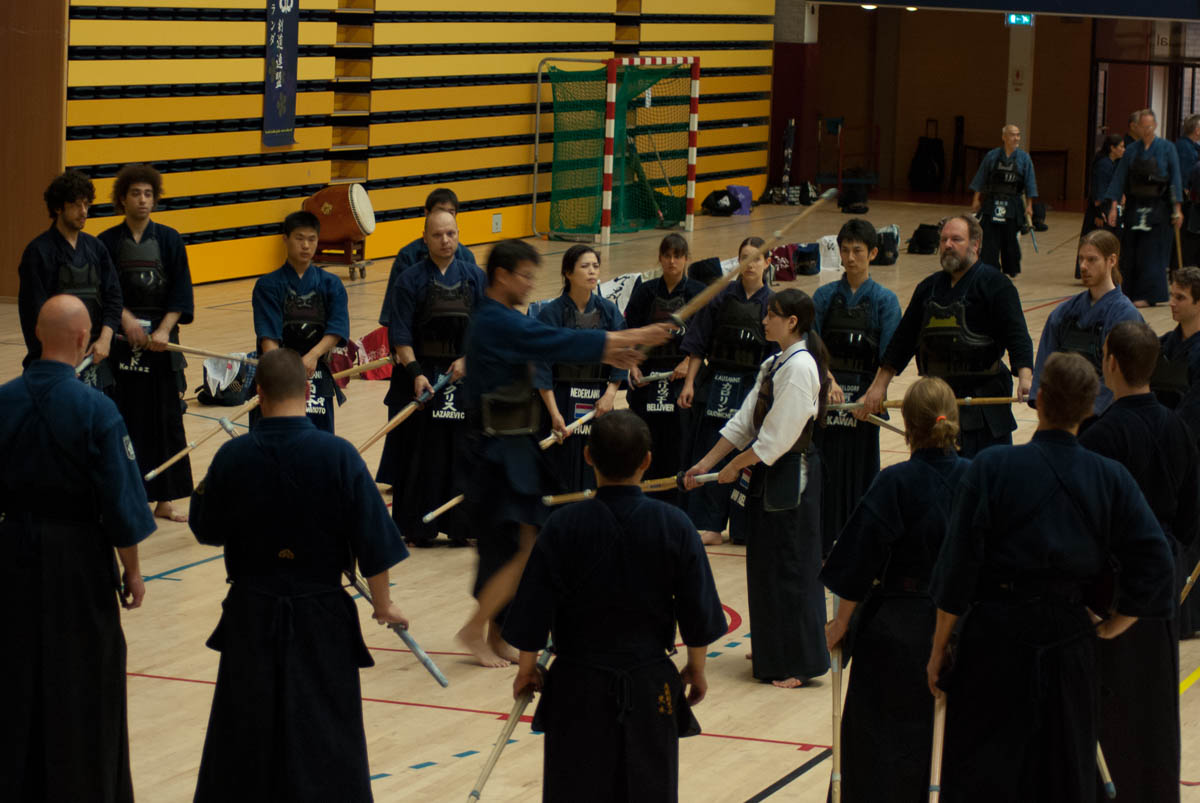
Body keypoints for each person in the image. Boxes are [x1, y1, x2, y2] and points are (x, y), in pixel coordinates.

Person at [926, 352, 1175, 803]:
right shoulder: (1109, 477)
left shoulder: (991, 467)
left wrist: (939, 649)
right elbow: (1157, 563)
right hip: (1070, 640)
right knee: (1065, 773)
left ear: (1038, 401)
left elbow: (957, 567)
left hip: (993, 640)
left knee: (984, 771)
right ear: (1089, 409)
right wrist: (1112, 625)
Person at [188, 348, 410, 802]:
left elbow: (206, 530)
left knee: (245, 732)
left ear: (257, 393)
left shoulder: (233, 456)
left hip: (251, 611)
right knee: (326, 729)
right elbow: (373, 539)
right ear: (308, 392)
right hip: (321, 612)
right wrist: (384, 604)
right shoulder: (339, 455)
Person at [457, 239, 670, 667]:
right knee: (520, 546)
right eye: (524, 275)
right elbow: (550, 339)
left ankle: (497, 632)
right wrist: (628, 338)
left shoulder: (504, 318)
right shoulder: (495, 320)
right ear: (502, 276)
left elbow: (546, 345)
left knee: (518, 542)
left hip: (514, 443)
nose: (530, 284)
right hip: (497, 448)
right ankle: (473, 629)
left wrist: (618, 347)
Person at [503, 410, 727, 803]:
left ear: (587, 456)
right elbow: (698, 610)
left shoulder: (562, 526)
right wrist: (696, 667)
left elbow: (533, 608)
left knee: (575, 790)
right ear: (647, 461)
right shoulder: (675, 525)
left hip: (576, 688)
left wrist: (526, 669)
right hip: (650, 685)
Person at [0, 294, 154, 802]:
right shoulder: (96, 409)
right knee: (85, 681)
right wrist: (132, 571)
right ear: (84, 339)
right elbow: (122, 506)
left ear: (38, 336)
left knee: (16, 677)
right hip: (80, 562)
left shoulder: (4, 401)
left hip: (13, 554)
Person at [821, 377, 969, 802]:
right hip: (961, 628)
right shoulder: (978, 479)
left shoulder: (894, 482)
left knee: (880, 748)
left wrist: (842, 622)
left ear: (908, 426)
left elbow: (856, 560)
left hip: (899, 632)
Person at [1077, 321, 1198, 803]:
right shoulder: (1178, 430)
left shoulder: (1100, 438)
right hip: (1162, 582)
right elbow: (1191, 519)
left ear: (1110, 364)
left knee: (1111, 706)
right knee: (1155, 704)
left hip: (1112, 590)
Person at [684, 288, 830, 688]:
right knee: (765, 562)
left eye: (772, 315)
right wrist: (705, 464)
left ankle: (800, 662)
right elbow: (743, 423)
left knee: (792, 564)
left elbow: (775, 439)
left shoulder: (802, 368)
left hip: (791, 475)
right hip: (768, 473)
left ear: (792, 322)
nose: (764, 321)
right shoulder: (773, 364)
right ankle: (772, 644)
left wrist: (733, 468)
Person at [858, 215, 1034, 457]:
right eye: (944, 240)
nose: (948, 245)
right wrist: (878, 387)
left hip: (983, 402)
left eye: (956, 239)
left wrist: (1025, 377)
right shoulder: (927, 288)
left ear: (975, 244)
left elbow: (1017, 336)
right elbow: (902, 342)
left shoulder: (996, 285)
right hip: (937, 399)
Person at [377, 208, 485, 545]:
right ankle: (417, 528)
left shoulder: (474, 277)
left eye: (451, 233)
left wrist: (469, 359)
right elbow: (401, 337)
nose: (445, 240)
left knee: (462, 452)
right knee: (422, 453)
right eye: (438, 235)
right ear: (425, 238)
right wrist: (415, 374)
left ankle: (462, 527)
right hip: (424, 380)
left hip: (463, 379)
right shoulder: (409, 280)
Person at [98, 163, 195, 523]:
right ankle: (126, 493)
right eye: (136, 193)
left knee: (165, 418)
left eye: (149, 194)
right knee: (124, 418)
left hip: (160, 342)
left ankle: (165, 499)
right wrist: (123, 320)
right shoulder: (105, 243)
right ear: (122, 199)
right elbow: (104, 291)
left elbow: (181, 293)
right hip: (121, 341)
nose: (143, 200)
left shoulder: (169, 239)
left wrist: (164, 330)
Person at [812, 219, 901, 555]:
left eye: (858, 251)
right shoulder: (823, 296)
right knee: (826, 471)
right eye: (845, 250)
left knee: (861, 473)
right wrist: (829, 381)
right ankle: (821, 546)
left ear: (873, 253)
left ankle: (859, 547)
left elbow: (891, 354)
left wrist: (874, 393)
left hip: (866, 398)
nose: (850, 258)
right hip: (829, 397)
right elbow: (812, 345)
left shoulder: (885, 301)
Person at [678, 237, 774, 545]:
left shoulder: (773, 305)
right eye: (744, 257)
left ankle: (744, 527)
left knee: (744, 457)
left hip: (752, 387)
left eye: (756, 258)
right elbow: (697, 344)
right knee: (710, 449)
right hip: (715, 382)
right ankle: (709, 525)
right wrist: (690, 382)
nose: (750, 264)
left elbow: (778, 356)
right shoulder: (719, 299)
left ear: (767, 262)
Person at [18, 169, 123, 393]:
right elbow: (33, 316)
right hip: (56, 364)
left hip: (95, 357)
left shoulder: (96, 248)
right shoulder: (38, 252)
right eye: (76, 205)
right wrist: (57, 360)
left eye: (87, 204)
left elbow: (113, 297)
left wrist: (105, 339)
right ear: (58, 208)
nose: (83, 211)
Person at [534, 245, 627, 493]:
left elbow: (622, 353)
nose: (592, 272)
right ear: (568, 272)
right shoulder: (551, 314)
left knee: (596, 464)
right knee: (560, 470)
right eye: (584, 266)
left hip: (598, 400)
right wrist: (554, 413)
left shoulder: (609, 311)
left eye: (595, 266)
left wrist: (610, 394)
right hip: (562, 400)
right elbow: (541, 366)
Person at [624, 233, 706, 507]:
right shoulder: (645, 292)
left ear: (686, 259)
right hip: (648, 381)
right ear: (660, 258)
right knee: (646, 443)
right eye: (667, 255)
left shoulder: (697, 292)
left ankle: (678, 506)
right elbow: (630, 333)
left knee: (678, 444)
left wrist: (687, 362)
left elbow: (705, 336)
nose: (672, 261)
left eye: (678, 256)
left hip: (680, 381)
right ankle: (641, 500)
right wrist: (633, 364)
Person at [251, 210, 349, 432]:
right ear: (285, 240)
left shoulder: (331, 284)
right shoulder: (268, 285)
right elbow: (269, 338)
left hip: (315, 372)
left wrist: (313, 357)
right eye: (299, 238)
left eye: (311, 239)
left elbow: (337, 327)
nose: (306, 245)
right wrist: (282, 371)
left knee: (319, 440)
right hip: (278, 373)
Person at [1028, 229, 1142, 417]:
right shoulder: (1064, 312)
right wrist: (1043, 400)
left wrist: (1087, 412)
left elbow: (1119, 375)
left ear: (1111, 260)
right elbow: (1045, 362)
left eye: (1091, 259)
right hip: (1062, 413)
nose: (1083, 266)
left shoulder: (1125, 314)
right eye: (1081, 259)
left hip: (1103, 415)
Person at [1104, 109, 1184, 307]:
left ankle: (1150, 295)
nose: (1147, 130)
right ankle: (1129, 291)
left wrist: (1177, 208)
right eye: (1143, 127)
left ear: (1155, 126)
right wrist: (1113, 207)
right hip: (1134, 206)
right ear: (1136, 128)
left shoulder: (1167, 148)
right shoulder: (1131, 151)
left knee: (1153, 252)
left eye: (1150, 126)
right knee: (1131, 250)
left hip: (1159, 207)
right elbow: (1119, 179)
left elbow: (1175, 179)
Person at [378, 187, 477, 327]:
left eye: (451, 212)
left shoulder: (467, 257)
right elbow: (393, 313)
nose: (445, 240)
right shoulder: (407, 256)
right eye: (439, 211)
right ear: (426, 213)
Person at [969, 124, 1038, 278]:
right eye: (1013, 135)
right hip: (993, 201)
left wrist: (1029, 206)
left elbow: (1030, 184)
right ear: (1004, 137)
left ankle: (1011, 267)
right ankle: (989, 268)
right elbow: (981, 178)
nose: (1016, 138)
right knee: (990, 237)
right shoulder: (992, 156)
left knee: (1010, 238)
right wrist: (976, 199)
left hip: (1013, 203)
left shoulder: (1024, 158)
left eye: (1018, 135)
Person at [1155, 265, 1200, 438]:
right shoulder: (1163, 344)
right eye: (1172, 295)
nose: (1172, 303)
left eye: (1180, 298)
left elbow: (1192, 415)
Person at [1081, 134, 1124, 244]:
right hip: (1101, 211)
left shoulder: (1113, 163)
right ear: (1112, 148)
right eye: (1121, 147)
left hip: (1108, 209)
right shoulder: (1103, 165)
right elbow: (1099, 190)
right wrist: (1099, 214)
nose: (1124, 150)